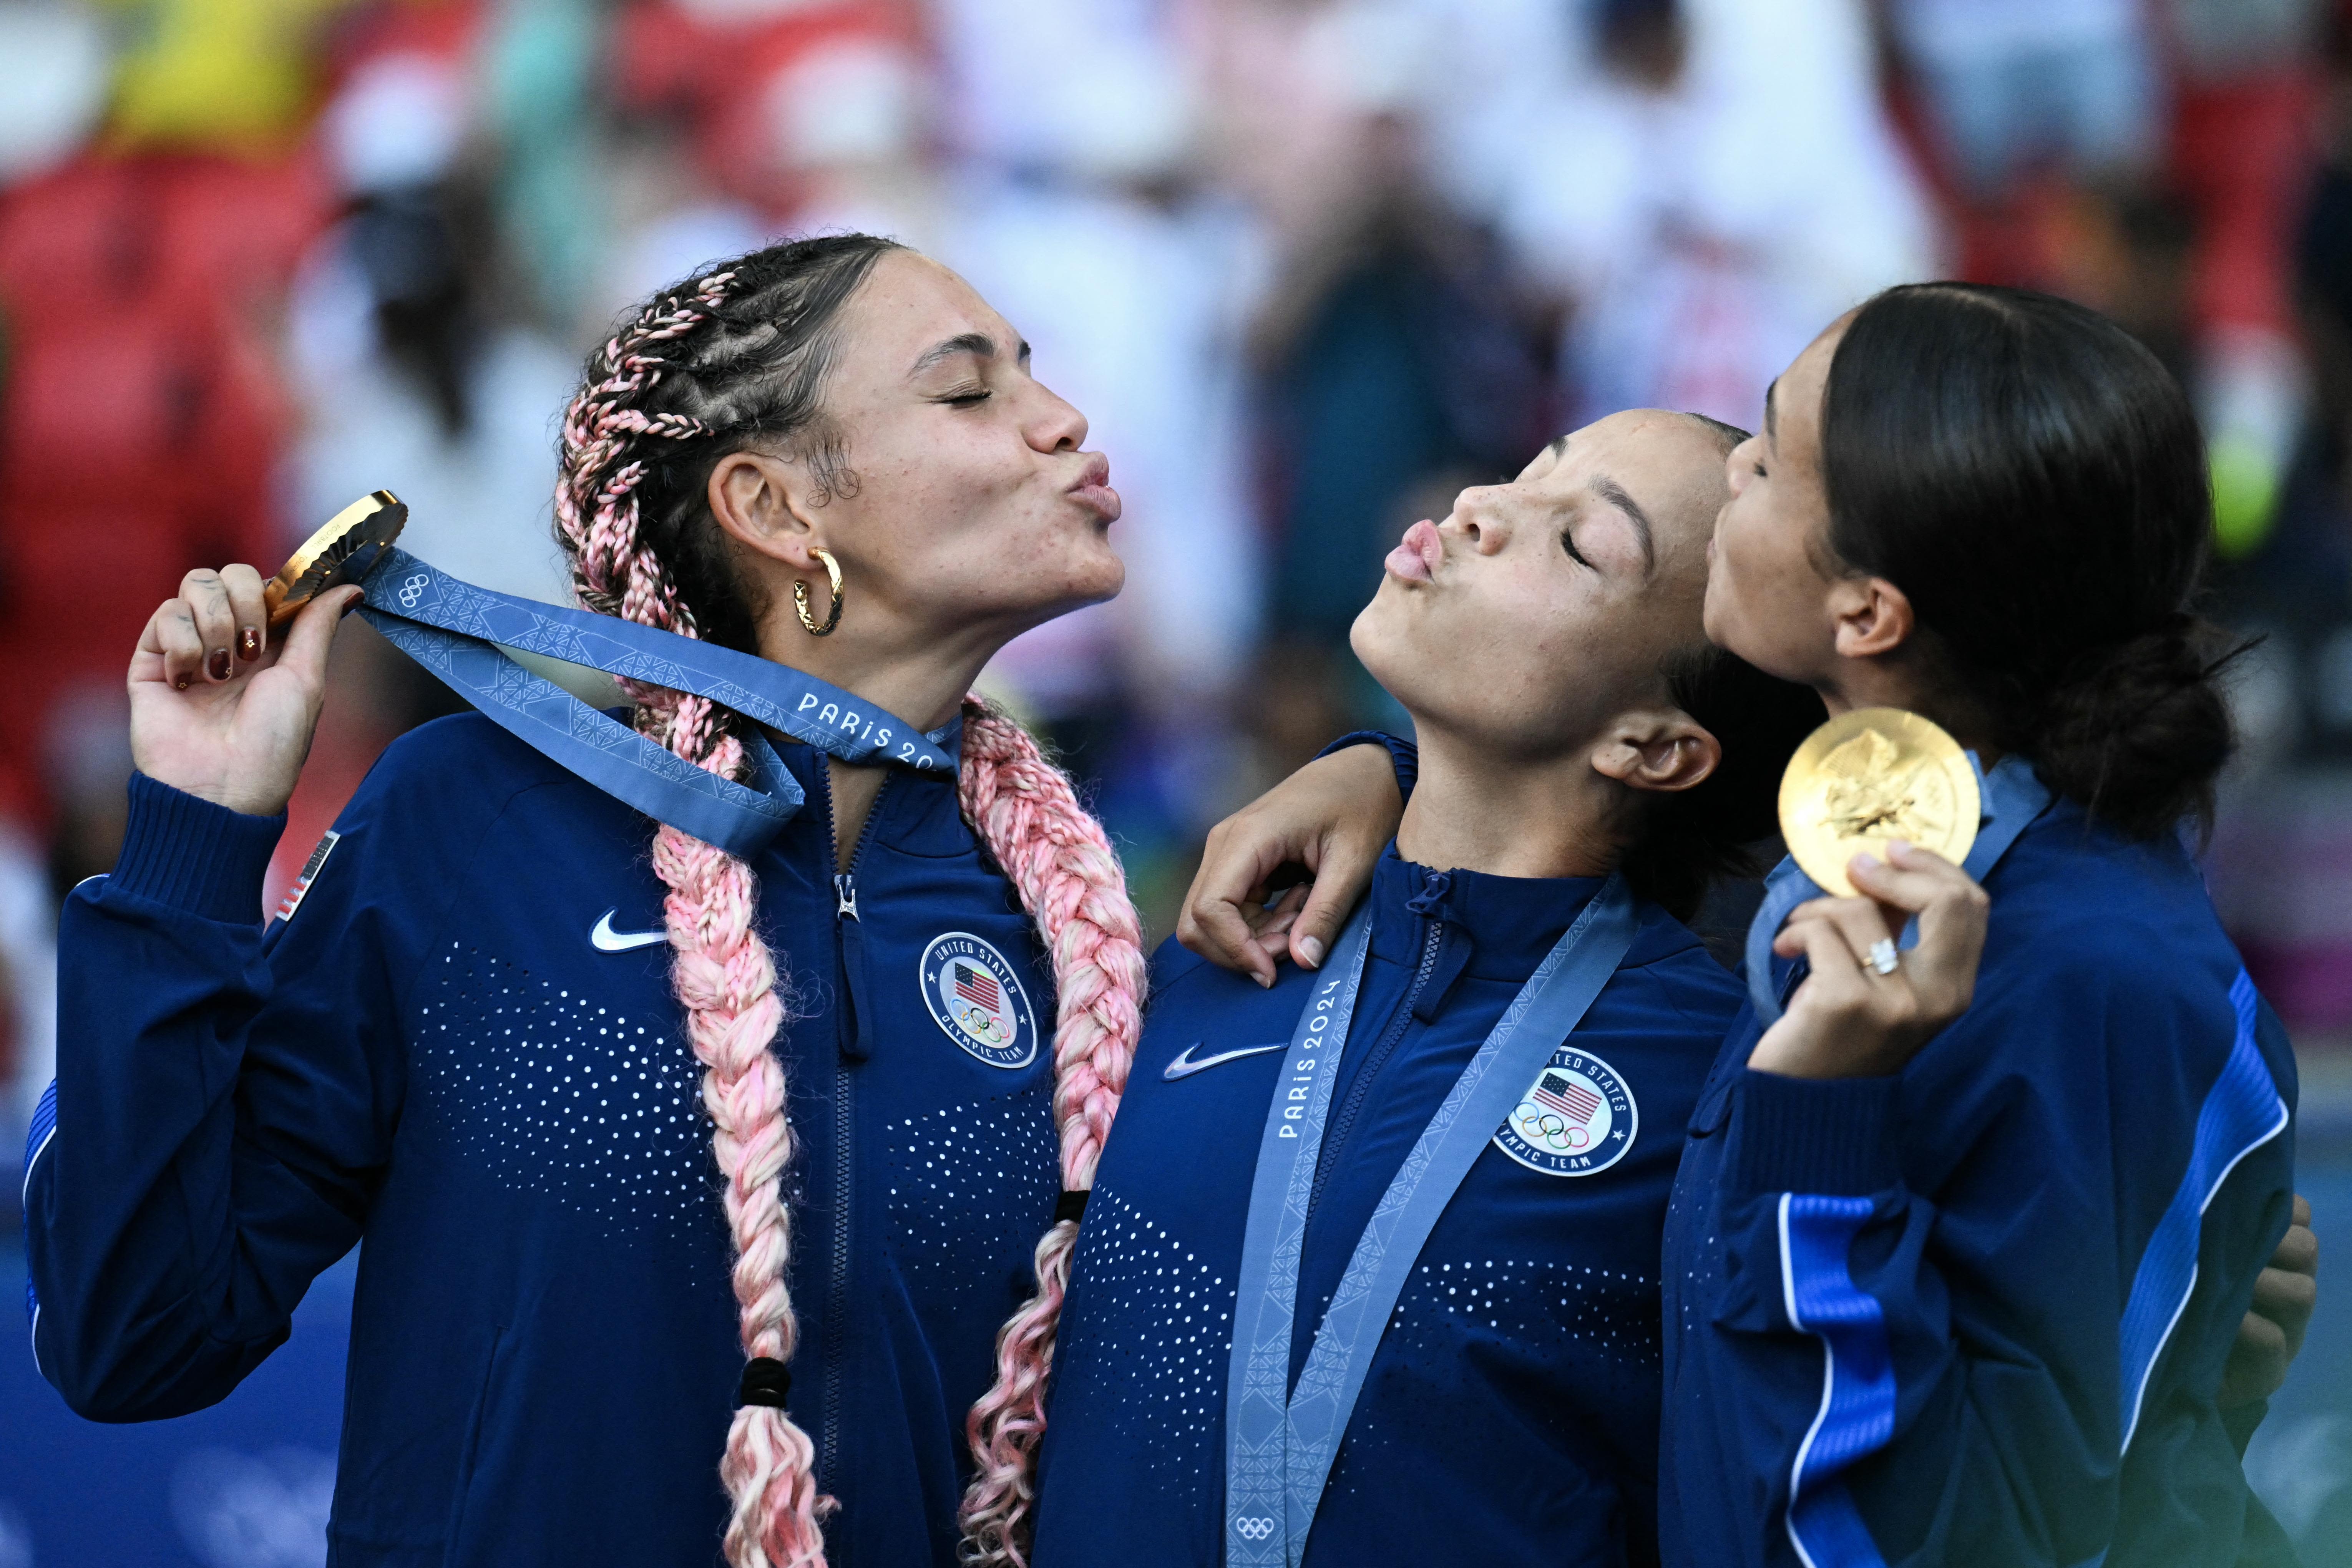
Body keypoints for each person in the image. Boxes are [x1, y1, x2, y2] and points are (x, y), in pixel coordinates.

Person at [22, 235, 1149, 1568]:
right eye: (967, 391)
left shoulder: (1064, 911)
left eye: (1030, 374)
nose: (1061, 417)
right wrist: (193, 844)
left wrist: (1387, 771)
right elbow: (135, 1332)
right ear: (776, 508)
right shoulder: (473, 819)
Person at [1179, 284, 2319, 1566]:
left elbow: (1994, 1534)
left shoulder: (2091, 968)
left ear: (1866, 615)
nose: (1729, 463)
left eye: (1767, 458)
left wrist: (1818, 1143)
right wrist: (1384, 771)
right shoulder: (1835, 868)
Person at [1023, 408, 1968, 1567]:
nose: (1479, 508)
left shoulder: (1715, 1081)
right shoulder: (1223, 944)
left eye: (1579, 545)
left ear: (1653, 746)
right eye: (1527, 476)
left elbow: (1797, 1500)